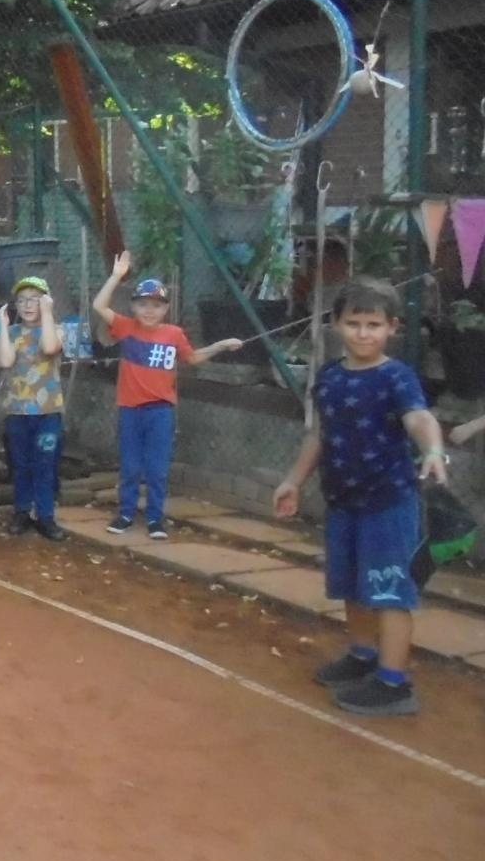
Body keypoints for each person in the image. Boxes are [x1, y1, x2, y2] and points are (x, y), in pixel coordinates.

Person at [273, 278, 448, 717]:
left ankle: (394, 683)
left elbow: (420, 418)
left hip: (388, 502)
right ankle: (362, 654)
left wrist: (433, 450)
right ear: (337, 325)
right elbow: (321, 434)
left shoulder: (397, 376)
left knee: (391, 590)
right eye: (354, 323)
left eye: (374, 324)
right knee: (352, 585)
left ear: (392, 327)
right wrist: (293, 479)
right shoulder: (330, 378)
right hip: (343, 502)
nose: (364, 333)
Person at [91, 251, 243, 538]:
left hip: (160, 411)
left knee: (157, 468)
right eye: (143, 304)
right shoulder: (126, 327)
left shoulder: (173, 334)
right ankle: (125, 514)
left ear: (166, 308)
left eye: (156, 305)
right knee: (130, 466)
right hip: (130, 409)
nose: (149, 310)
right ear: (134, 307)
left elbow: (193, 358)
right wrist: (116, 276)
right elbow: (99, 305)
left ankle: (155, 519)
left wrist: (221, 345)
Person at [0, 276, 66, 542]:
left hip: (48, 413)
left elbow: (49, 347)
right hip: (18, 413)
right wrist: (3, 326)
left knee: (44, 464)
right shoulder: (13, 334)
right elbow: (5, 360)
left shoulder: (56, 330)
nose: (27, 305)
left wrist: (47, 312)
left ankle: (46, 516)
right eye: (22, 300)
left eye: (34, 299)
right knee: (21, 464)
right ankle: (22, 511)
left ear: (46, 301)